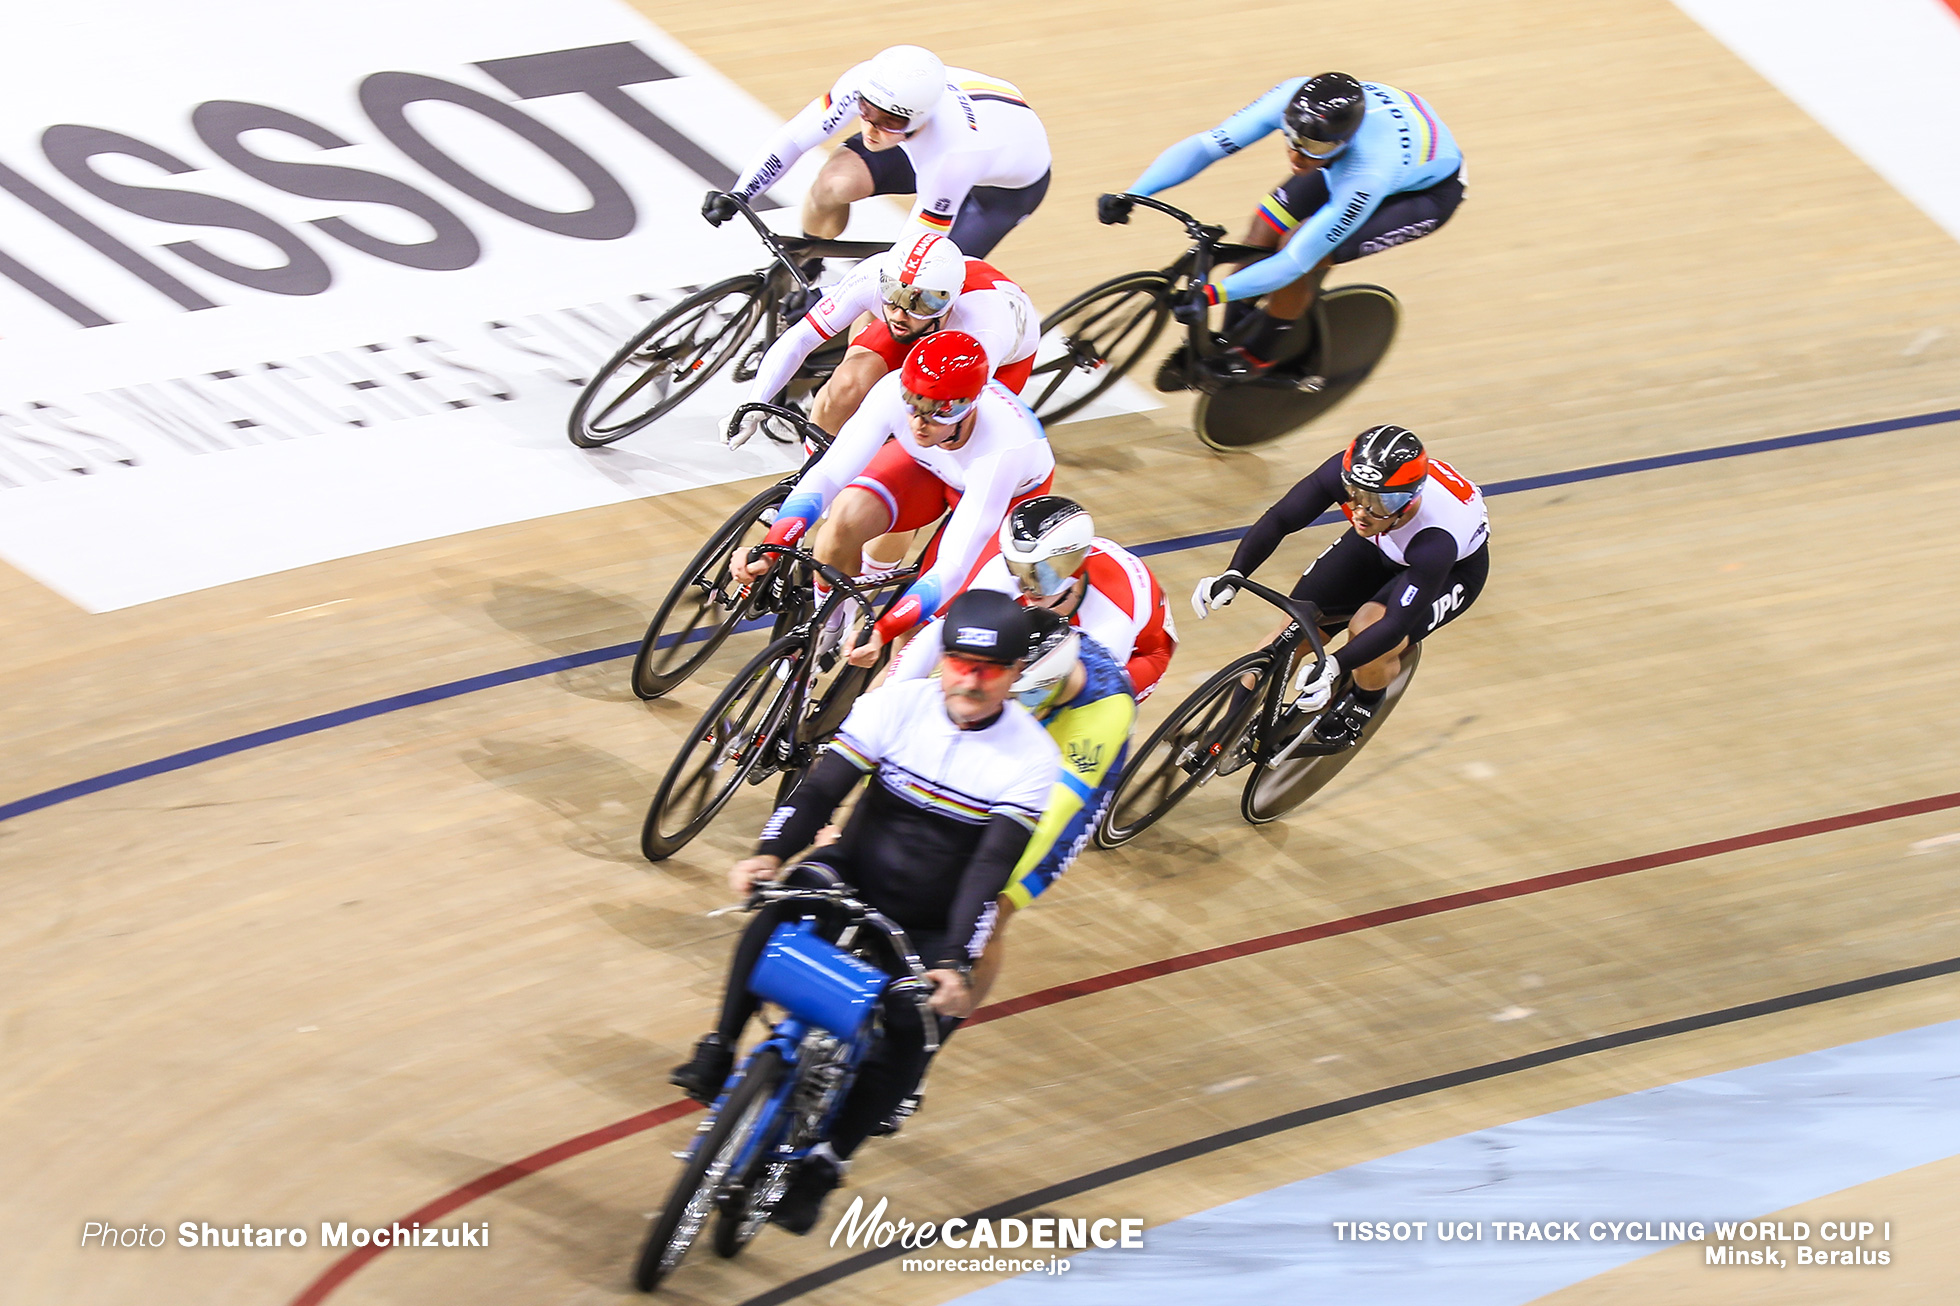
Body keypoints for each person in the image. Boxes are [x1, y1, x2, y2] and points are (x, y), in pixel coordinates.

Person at [668, 590, 1060, 1232]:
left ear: (1016, 673)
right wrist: (769, 852)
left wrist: (955, 961)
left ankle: (823, 1164)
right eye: (960, 662)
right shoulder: (898, 705)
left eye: (989, 669)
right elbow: (823, 787)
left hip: (936, 912)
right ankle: (718, 1047)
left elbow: (988, 869)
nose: (971, 678)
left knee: (914, 1026)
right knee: (783, 900)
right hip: (859, 868)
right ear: (944, 661)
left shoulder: (1032, 757)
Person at [867, 607, 1135, 1136]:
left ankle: (922, 1055)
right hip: (1018, 749)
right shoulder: (1010, 665)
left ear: (1047, 682)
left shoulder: (1105, 712)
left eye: (1026, 697)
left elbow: (1046, 817)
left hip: (1066, 786)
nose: (1016, 705)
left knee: (990, 910)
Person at [1100, 73, 1464, 384]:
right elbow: (1209, 145)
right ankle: (1231, 335)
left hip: (1426, 194)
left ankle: (1260, 356)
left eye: (1312, 148)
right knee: (1261, 231)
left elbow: (1293, 261)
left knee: (1301, 248)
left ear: (1343, 141)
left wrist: (1209, 295)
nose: (1296, 156)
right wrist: (1133, 193)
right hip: (1363, 158)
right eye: (1293, 139)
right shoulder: (1292, 99)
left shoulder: (1368, 172)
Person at [734, 330, 1055, 663]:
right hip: (930, 462)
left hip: (1005, 497)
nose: (919, 421)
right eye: (913, 402)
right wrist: (774, 546)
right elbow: (828, 474)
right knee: (841, 521)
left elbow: (953, 565)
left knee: (921, 633)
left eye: (938, 411)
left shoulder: (1002, 449)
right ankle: (828, 631)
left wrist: (884, 628)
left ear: (971, 405)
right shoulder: (892, 392)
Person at [1190, 424, 1489, 751]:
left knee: (1368, 628)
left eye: (1378, 502)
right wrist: (1234, 573)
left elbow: (1395, 624)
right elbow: (1280, 520)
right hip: (1380, 542)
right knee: (1293, 631)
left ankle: (1364, 701)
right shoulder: (1354, 483)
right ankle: (1226, 728)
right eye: (1356, 496)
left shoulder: (1437, 540)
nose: (1361, 512)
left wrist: (1335, 665)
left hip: (1451, 572)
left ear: (1409, 499)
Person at [705, 45, 1052, 258]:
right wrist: (741, 192)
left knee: (910, 297)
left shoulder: (952, 155)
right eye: (866, 112)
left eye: (887, 120)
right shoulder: (866, 83)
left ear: (918, 117)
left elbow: (912, 254)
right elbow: (796, 138)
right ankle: (808, 258)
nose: (870, 128)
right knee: (833, 183)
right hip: (928, 141)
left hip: (1000, 194)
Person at [727, 232, 1039, 445]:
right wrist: (755, 402)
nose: (901, 314)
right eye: (892, 296)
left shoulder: (982, 327)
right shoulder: (875, 276)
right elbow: (800, 339)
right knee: (847, 384)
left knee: (925, 442)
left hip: (992, 357)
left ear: (950, 300)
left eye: (922, 303)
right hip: (934, 326)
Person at [889, 495, 1177, 701]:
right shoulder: (1007, 570)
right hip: (1057, 623)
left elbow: (1070, 692)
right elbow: (942, 632)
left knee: (1075, 713)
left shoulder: (1113, 612)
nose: (1025, 585)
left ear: (1071, 565)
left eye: (1038, 573)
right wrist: (891, 697)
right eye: (1016, 568)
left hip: (1138, 656)